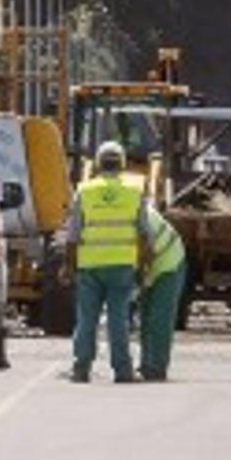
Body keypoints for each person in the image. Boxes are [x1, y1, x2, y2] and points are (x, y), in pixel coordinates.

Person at [66, 138, 147, 384]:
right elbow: (144, 233)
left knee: (86, 319)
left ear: (99, 164)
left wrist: (68, 266)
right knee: (118, 320)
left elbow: (72, 235)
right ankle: (122, 371)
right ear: (122, 164)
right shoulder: (135, 190)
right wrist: (143, 266)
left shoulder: (84, 191)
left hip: (89, 266)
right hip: (122, 266)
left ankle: (81, 368)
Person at [138, 201, 186, 382]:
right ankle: (145, 364)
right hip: (150, 261)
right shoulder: (127, 210)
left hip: (169, 261)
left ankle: (157, 367)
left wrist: (141, 276)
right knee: (146, 314)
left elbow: (148, 251)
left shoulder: (140, 215)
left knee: (160, 316)